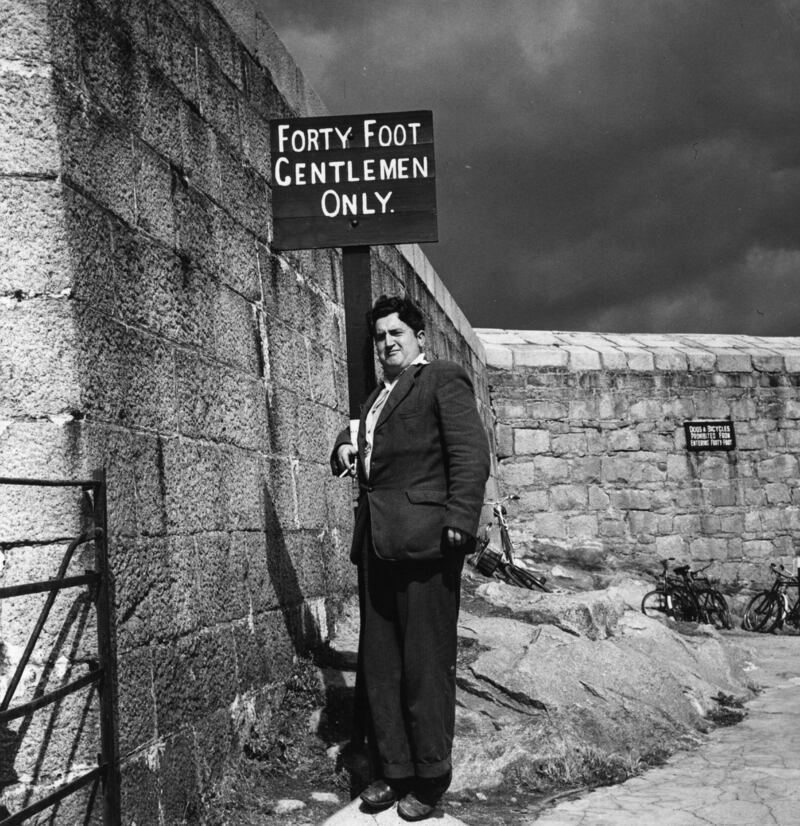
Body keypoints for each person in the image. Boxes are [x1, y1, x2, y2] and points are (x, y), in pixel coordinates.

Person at [331, 294, 490, 821]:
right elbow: (361, 432)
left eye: (396, 333)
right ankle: (394, 770)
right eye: (380, 337)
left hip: (426, 544)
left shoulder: (440, 379)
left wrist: (459, 519)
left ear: (420, 337)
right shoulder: (377, 397)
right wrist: (343, 446)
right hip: (377, 546)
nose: (387, 343)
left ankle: (430, 777)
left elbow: (470, 452)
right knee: (383, 666)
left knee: (425, 664)